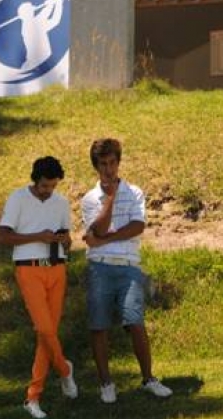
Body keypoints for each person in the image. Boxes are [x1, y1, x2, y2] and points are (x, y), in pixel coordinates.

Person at [81, 138, 173, 403]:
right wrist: (109, 199)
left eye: (113, 163)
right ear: (96, 167)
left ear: (119, 162)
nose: (109, 169)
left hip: (129, 265)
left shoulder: (135, 192)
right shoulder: (90, 199)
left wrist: (105, 239)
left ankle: (148, 379)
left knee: (135, 322)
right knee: (99, 326)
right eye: (103, 165)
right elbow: (97, 229)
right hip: (99, 267)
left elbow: (137, 227)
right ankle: (106, 384)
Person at [0, 156, 78, 419]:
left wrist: (65, 240)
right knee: (44, 328)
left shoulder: (62, 202)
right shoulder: (18, 198)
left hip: (57, 266)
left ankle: (33, 397)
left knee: (48, 333)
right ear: (35, 180)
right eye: (44, 185)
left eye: (52, 186)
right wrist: (37, 236)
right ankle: (64, 370)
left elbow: (69, 240)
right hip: (28, 267)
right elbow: (3, 237)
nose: (48, 190)